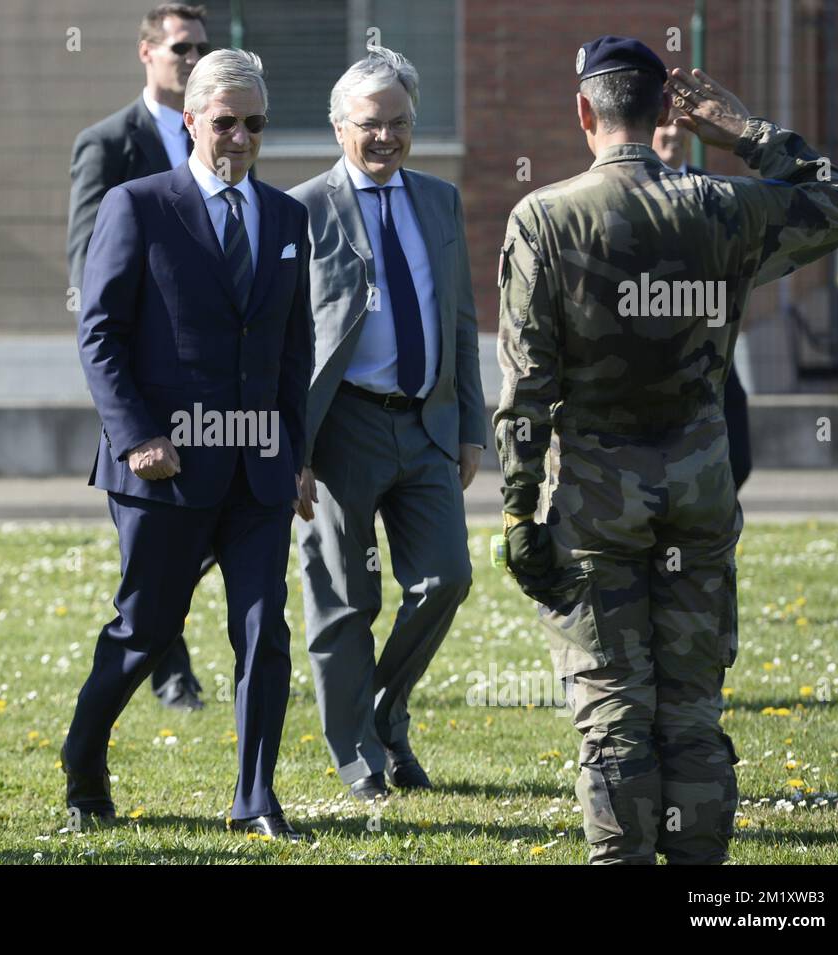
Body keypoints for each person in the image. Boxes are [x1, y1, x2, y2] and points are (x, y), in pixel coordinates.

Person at [494, 36, 838, 864]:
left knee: (614, 714)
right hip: (700, 487)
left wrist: (520, 509)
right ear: (668, 113)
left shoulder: (546, 218)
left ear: (583, 112)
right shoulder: (725, 206)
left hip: (597, 498)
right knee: (692, 710)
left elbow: (525, 386)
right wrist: (746, 132)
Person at [63, 49, 313, 840]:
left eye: (255, 124)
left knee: (263, 629)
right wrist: (136, 435)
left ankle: (254, 797)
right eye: (225, 121)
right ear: (190, 121)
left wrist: (296, 452)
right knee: (144, 630)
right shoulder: (139, 205)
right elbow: (100, 333)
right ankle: (83, 762)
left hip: (259, 467)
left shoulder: (287, 217)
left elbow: (293, 347)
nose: (240, 137)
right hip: (164, 467)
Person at [287, 47, 484, 801]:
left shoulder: (439, 199)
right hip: (340, 432)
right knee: (346, 599)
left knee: (447, 578)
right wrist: (291, 449)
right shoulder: (303, 207)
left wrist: (470, 424)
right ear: (341, 128)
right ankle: (358, 757)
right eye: (370, 125)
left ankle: (382, 708)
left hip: (428, 425)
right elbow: (287, 340)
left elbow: (459, 317)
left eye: (399, 123)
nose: (386, 139)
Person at [66, 2, 212, 711]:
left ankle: (163, 643)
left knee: (211, 521)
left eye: (202, 50)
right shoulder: (108, 143)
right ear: (147, 52)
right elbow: (88, 260)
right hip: (144, 369)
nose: (193, 62)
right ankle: (167, 664)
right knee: (153, 526)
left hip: (216, 375)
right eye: (182, 49)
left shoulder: (223, 134)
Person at [652, 119, 752, 490]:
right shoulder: (627, 189)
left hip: (708, 337)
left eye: (680, 126)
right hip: (649, 340)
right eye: (663, 126)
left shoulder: (715, 193)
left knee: (736, 453)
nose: (672, 135)